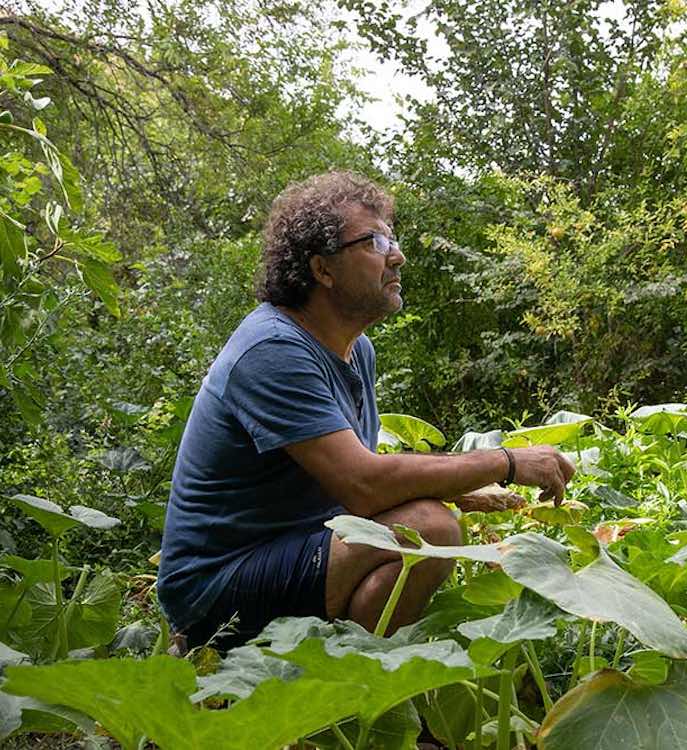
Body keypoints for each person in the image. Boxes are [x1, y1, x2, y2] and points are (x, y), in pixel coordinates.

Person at [157, 170, 575, 649]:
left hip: (292, 546)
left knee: (427, 518)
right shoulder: (272, 350)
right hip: (215, 585)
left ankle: (343, 681)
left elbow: (355, 481)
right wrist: (506, 462)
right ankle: (325, 685)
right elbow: (363, 484)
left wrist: (464, 491)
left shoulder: (356, 350)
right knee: (430, 529)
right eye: (374, 242)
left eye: (391, 239)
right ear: (322, 269)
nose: (396, 255)